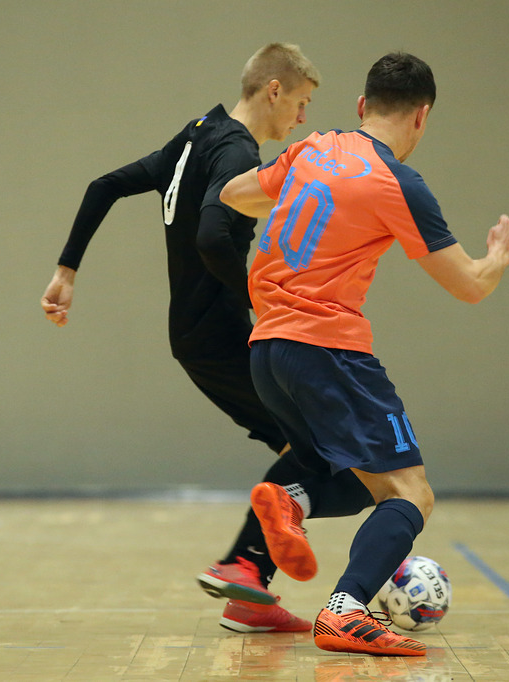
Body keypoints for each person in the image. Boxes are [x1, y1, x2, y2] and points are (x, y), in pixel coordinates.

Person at [220, 52, 509, 656]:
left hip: (267, 352)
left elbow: (235, 192)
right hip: (326, 350)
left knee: (362, 483)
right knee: (412, 493)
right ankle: (346, 610)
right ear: (422, 116)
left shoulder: (312, 149)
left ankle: (291, 499)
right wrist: (499, 256)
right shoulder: (397, 182)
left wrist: (292, 193)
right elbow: (470, 285)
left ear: (362, 105)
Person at [40, 43, 322, 633]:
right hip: (220, 332)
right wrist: (261, 301)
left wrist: (66, 271)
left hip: (195, 332)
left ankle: (249, 591)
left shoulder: (198, 133)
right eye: (300, 102)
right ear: (273, 90)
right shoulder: (237, 151)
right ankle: (244, 568)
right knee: (317, 447)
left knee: (302, 449)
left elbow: (103, 185)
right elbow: (213, 238)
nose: (302, 117)